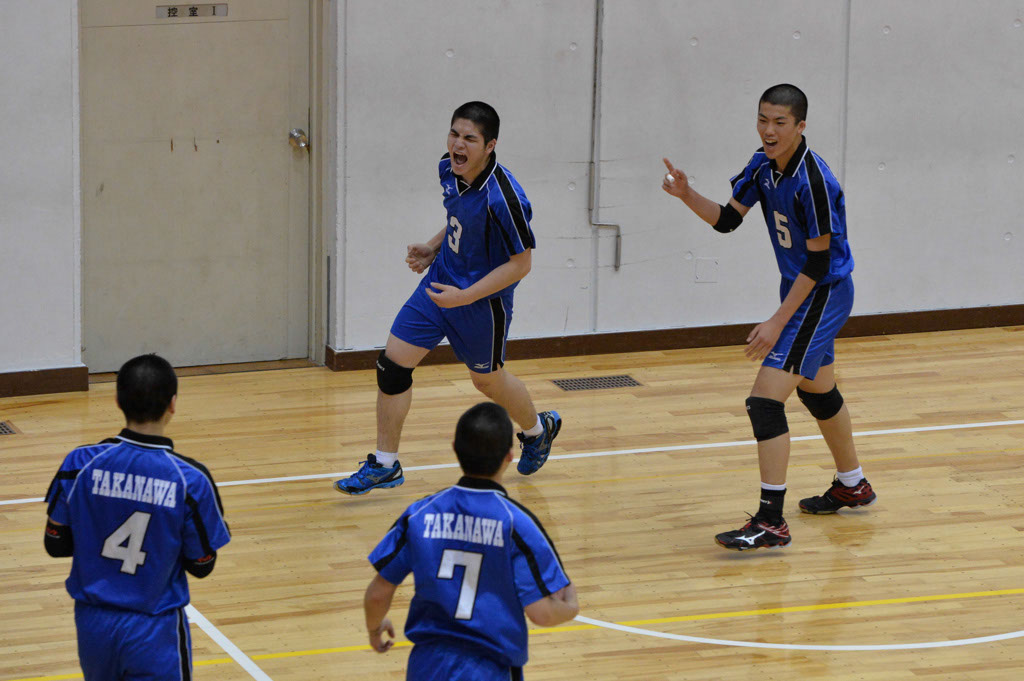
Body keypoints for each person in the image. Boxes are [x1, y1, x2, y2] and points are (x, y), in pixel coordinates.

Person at [662, 84, 877, 551]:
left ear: (800, 126)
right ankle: (853, 483)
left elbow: (818, 262)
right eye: (763, 119)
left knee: (764, 401)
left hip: (822, 293)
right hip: (800, 290)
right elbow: (727, 220)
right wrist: (686, 194)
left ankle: (771, 522)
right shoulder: (762, 164)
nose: (768, 130)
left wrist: (778, 320)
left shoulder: (814, 181)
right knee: (817, 389)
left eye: (780, 122)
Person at [335, 101, 562, 496]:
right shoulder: (449, 169)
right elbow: (459, 218)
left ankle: (537, 431)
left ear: (490, 146)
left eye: (469, 138)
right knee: (392, 366)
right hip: (439, 285)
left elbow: (520, 264)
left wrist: (465, 296)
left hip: (481, 303)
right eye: (454, 134)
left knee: (487, 381)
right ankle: (385, 464)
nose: (458, 145)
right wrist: (433, 248)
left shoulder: (504, 198)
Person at [43, 354, 231, 679]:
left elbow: (55, 544)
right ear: (173, 404)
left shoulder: (78, 464)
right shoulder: (190, 480)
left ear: (118, 401)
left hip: (93, 625)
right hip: (154, 630)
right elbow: (202, 565)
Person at [363, 402, 578, 680]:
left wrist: (374, 629)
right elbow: (542, 614)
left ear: (455, 448)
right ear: (509, 456)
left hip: (427, 666)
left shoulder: (420, 514)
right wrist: (570, 606)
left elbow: (378, 593)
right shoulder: (517, 523)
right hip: (488, 669)